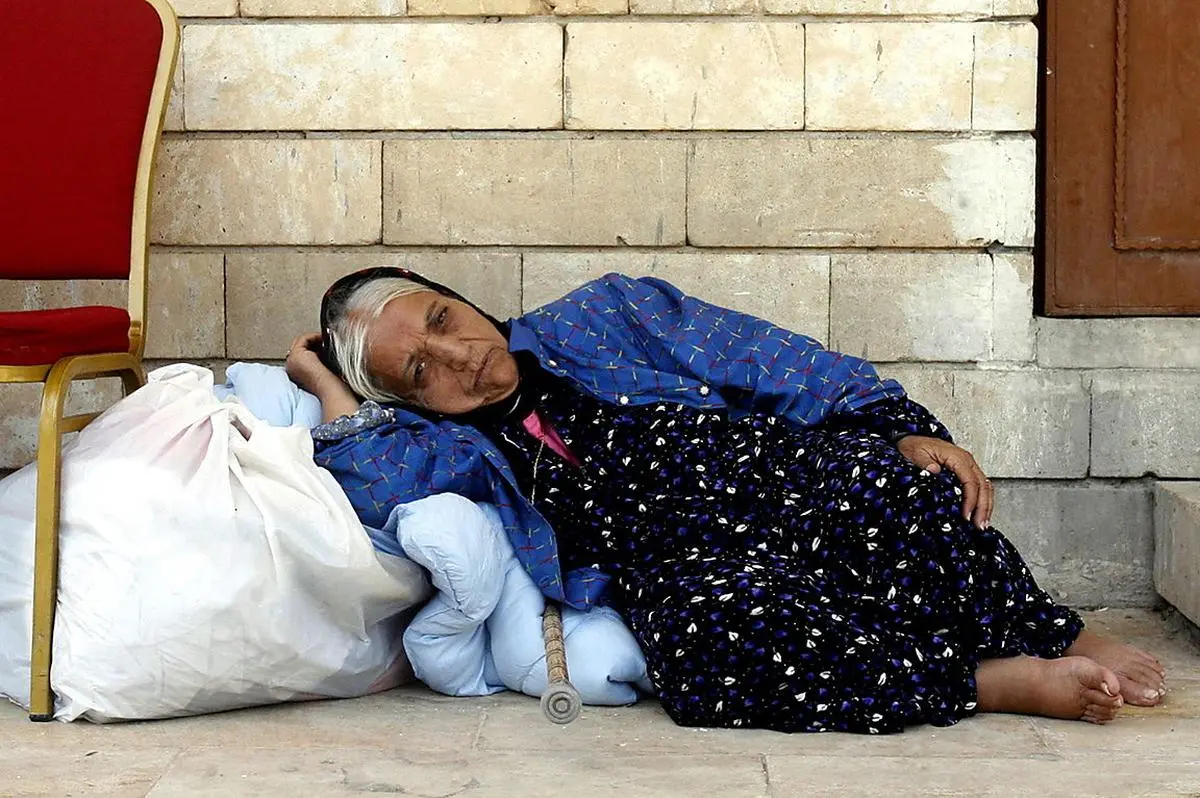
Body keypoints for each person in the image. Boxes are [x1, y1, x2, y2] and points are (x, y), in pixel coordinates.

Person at [286, 266, 1166, 735]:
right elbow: (373, 478)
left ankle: (1055, 629)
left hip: (784, 480)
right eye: (419, 372)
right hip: (685, 568)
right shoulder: (453, 447)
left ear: (457, 295)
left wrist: (894, 422)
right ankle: (991, 682)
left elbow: (765, 357)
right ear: (406, 401)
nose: (459, 358)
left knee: (893, 486)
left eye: (442, 321)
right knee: (712, 654)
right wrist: (323, 380)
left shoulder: (604, 315)